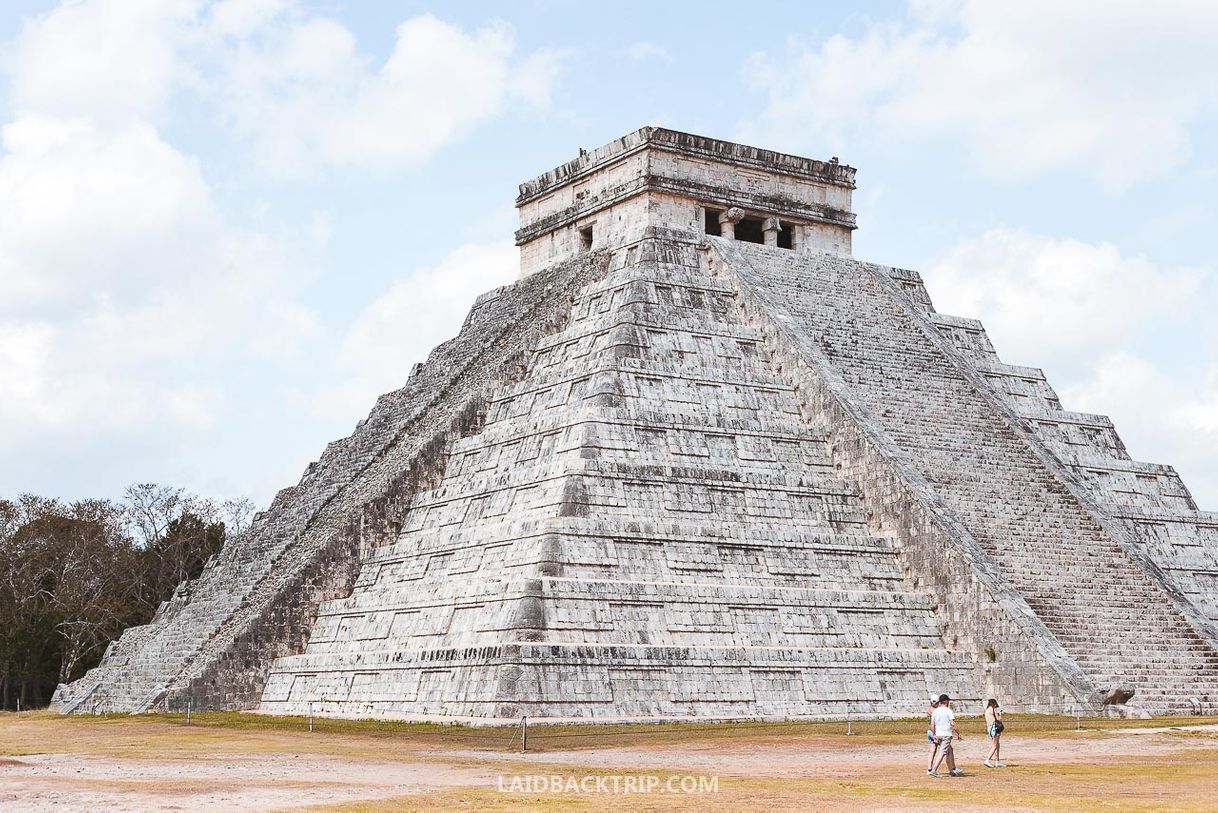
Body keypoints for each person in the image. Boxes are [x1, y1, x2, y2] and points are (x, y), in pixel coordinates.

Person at [929, 693, 964, 777]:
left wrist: (934, 735)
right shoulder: (948, 710)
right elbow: (952, 723)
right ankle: (934, 770)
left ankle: (951, 771)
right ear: (945, 701)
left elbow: (932, 724)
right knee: (942, 752)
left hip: (938, 734)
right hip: (946, 734)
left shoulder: (935, 711)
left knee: (949, 751)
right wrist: (958, 733)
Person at [984, 698, 1005, 767]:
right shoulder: (993, 709)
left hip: (989, 728)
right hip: (995, 728)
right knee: (995, 745)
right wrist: (1000, 714)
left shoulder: (987, 710)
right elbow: (999, 719)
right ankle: (987, 759)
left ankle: (997, 761)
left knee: (997, 744)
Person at [926, 696, 940, 775]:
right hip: (935, 731)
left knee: (932, 750)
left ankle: (929, 768)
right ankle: (952, 768)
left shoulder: (929, 710)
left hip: (929, 731)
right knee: (946, 750)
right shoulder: (935, 711)